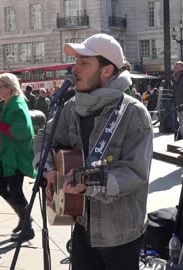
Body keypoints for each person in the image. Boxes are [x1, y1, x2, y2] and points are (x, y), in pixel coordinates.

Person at [35, 33, 153, 270]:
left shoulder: (134, 114)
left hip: (120, 234)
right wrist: (48, 170)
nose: (74, 69)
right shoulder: (72, 107)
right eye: (76, 61)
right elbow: (43, 139)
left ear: (107, 70)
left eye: (83, 62)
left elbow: (135, 173)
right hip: (82, 225)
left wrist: (88, 183)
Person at [0, 73, 36, 241]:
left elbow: (22, 131)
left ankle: (27, 229)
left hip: (15, 156)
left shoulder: (18, 105)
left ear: (10, 88)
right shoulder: (4, 104)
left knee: (15, 190)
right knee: (0, 187)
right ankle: (24, 217)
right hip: (5, 154)